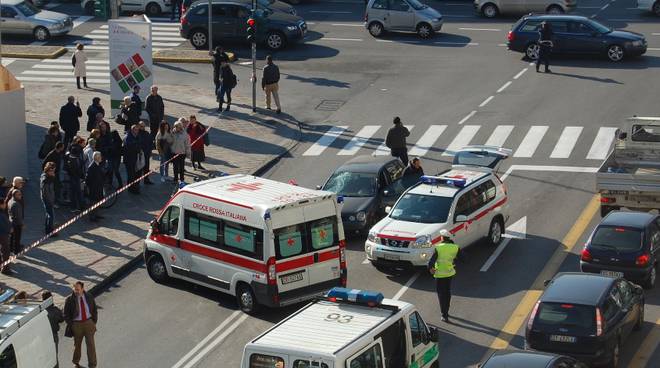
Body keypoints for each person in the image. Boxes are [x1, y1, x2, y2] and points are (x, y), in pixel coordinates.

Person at [428, 229, 464, 322]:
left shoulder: (438, 247)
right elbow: (464, 259)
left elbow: (431, 261)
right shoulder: (455, 247)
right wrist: (454, 262)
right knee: (447, 293)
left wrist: (431, 269)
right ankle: (446, 311)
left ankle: (444, 314)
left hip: (439, 274)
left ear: (442, 237)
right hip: (449, 273)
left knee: (441, 294)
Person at [63, 281, 98, 368]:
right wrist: (72, 324)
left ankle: (92, 365)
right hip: (77, 325)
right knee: (77, 345)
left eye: (78, 289)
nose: (76, 291)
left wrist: (93, 322)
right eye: (75, 289)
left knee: (91, 345)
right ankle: (76, 362)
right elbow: (65, 314)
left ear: (82, 289)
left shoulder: (89, 296)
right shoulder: (70, 299)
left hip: (88, 323)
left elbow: (94, 309)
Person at [42, 290, 64, 358]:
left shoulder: (40, 311)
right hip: (53, 335)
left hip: (42, 337)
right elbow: (61, 319)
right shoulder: (55, 310)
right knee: (54, 356)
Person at [64, 143, 85, 212]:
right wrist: (82, 175)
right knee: (77, 192)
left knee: (73, 193)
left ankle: (75, 206)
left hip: (71, 177)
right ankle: (78, 206)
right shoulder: (75, 161)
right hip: (75, 178)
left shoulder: (68, 158)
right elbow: (78, 170)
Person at [85, 152, 105, 222]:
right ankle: (92, 216)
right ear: (96, 158)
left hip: (98, 187)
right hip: (94, 188)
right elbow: (88, 179)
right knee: (93, 202)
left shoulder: (97, 165)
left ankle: (96, 214)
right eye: (100, 157)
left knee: (97, 202)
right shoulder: (92, 167)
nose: (101, 158)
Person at [123, 124, 142, 194]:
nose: (137, 131)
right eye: (135, 130)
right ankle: (131, 188)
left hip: (135, 159)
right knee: (131, 175)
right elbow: (130, 148)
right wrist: (137, 147)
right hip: (129, 159)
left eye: (137, 130)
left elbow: (139, 145)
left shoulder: (137, 136)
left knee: (135, 174)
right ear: (132, 130)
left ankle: (134, 187)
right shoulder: (128, 137)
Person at [41, 162, 57, 236]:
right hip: (47, 199)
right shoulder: (45, 179)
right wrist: (50, 201)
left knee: (48, 214)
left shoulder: (48, 178)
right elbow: (45, 192)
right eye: (52, 171)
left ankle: (48, 229)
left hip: (49, 198)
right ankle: (50, 231)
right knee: (51, 215)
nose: (53, 172)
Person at [8, 190, 24, 255]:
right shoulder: (16, 204)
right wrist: (22, 224)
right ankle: (16, 252)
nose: (20, 195)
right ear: (14, 195)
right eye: (19, 194)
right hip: (16, 224)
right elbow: (18, 216)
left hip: (11, 222)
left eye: (20, 194)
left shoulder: (10, 201)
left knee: (12, 238)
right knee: (17, 239)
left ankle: (11, 250)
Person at [0, 200, 11, 274]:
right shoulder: (1, 215)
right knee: (6, 252)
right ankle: (5, 269)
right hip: (3, 235)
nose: (5, 205)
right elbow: (5, 226)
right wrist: (9, 230)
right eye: (4, 203)